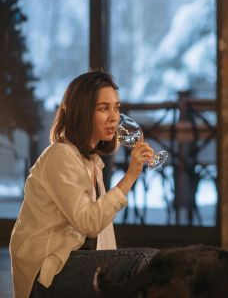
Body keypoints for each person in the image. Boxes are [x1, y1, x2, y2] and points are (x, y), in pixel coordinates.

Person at [9, 71, 157, 298]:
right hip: (45, 273)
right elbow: (89, 222)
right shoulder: (60, 156)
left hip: (74, 260)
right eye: (103, 108)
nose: (114, 117)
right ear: (82, 111)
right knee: (146, 262)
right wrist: (131, 175)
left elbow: (102, 236)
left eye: (117, 108)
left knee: (152, 266)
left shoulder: (90, 160)